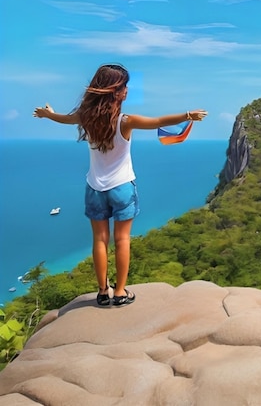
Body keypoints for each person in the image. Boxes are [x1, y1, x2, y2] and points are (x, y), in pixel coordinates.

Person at [33, 64, 207, 307]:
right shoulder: (125, 121)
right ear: (115, 91)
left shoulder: (87, 118)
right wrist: (188, 115)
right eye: (124, 86)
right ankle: (121, 292)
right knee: (122, 239)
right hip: (123, 187)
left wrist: (47, 114)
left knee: (100, 240)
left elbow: (64, 119)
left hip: (95, 187)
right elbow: (159, 121)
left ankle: (103, 292)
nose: (127, 91)